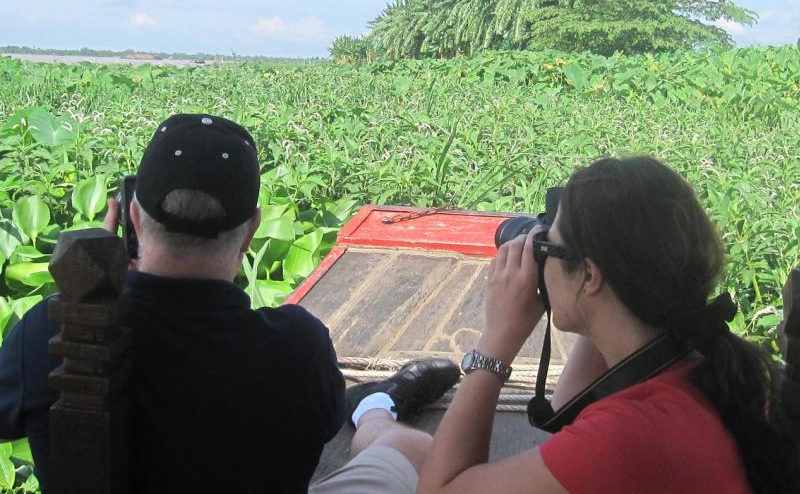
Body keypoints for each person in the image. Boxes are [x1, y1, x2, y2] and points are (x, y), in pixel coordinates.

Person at [345, 156, 800, 493]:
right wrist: (576, 280)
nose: (537, 249)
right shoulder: (691, 361)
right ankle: (376, 411)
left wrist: (496, 345)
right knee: (407, 448)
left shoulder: (631, 434)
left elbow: (439, 490)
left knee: (392, 453)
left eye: (550, 243)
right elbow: (569, 414)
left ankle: (374, 413)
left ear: (591, 275)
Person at [0, 114, 346, 493]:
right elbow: (331, 424)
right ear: (250, 231)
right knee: (390, 444)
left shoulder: (48, 332)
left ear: (132, 216)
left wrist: (100, 286)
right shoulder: (302, 347)